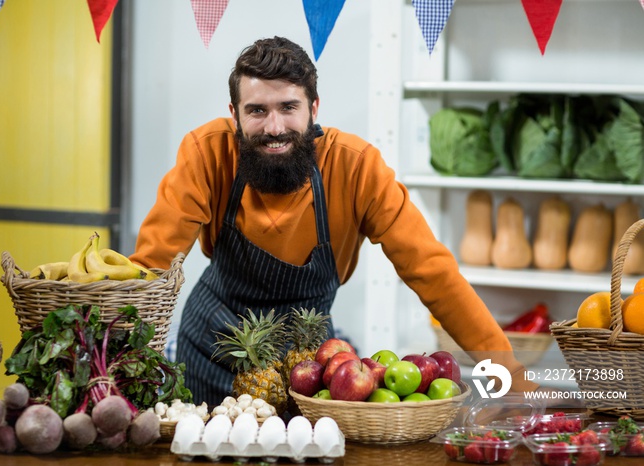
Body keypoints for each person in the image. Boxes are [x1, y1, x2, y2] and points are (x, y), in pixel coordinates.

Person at [130, 36, 539, 405]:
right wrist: (112, 366)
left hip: (309, 372)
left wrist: (512, 376)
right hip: (210, 354)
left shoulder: (356, 167)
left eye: (289, 108)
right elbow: (151, 268)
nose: (275, 128)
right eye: (257, 111)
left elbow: (433, 273)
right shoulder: (207, 153)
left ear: (314, 108)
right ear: (234, 114)